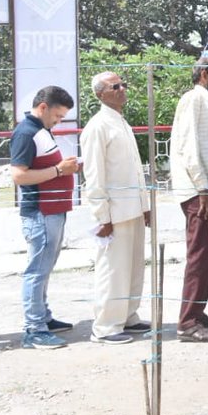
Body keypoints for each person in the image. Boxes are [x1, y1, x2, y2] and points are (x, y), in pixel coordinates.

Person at [81, 72, 150, 345]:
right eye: (115, 86)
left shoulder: (120, 122)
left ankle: (128, 316)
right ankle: (106, 327)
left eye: (123, 84)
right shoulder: (97, 126)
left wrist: (144, 206)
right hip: (114, 213)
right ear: (101, 94)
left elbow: (134, 170)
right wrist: (102, 216)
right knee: (112, 270)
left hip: (132, 208)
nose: (122, 89)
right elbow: (95, 176)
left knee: (133, 267)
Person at [9, 85, 81, 350]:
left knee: (44, 267)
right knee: (37, 270)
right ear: (43, 108)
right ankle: (34, 328)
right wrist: (59, 170)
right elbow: (18, 176)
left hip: (52, 211)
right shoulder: (26, 133)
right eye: (58, 116)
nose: (59, 121)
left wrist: (63, 170)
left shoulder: (40, 131)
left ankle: (43, 317)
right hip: (40, 212)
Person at [169, 57, 208, 343]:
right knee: (199, 256)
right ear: (205, 74)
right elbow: (188, 147)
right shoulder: (195, 99)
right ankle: (187, 322)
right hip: (196, 191)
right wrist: (204, 189)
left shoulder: (206, 99)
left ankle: (198, 311)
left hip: (205, 189)